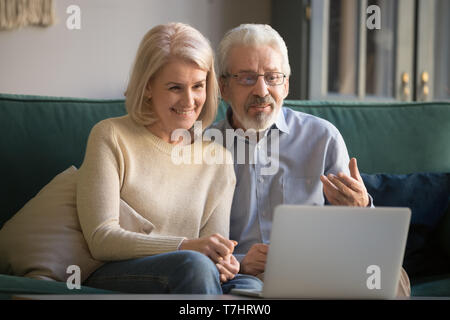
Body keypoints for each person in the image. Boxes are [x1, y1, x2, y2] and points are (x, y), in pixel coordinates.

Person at [211, 23, 410, 296]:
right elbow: (191, 238)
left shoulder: (322, 137)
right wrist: (242, 262)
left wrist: (361, 208)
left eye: (272, 77)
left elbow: (362, 237)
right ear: (224, 87)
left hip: (321, 267)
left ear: (287, 84)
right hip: (243, 275)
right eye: (247, 78)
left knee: (390, 275)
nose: (261, 90)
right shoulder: (202, 147)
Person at [77, 22, 262, 294]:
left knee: (249, 285)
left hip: (191, 271)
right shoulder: (110, 136)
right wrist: (185, 246)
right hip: (118, 269)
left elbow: (212, 248)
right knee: (194, 266)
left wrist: (223, 261)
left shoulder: (219, 159)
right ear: (148, 86)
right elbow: (100, 238)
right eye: (175, 87)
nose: (190, 101)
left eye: (198, 86)